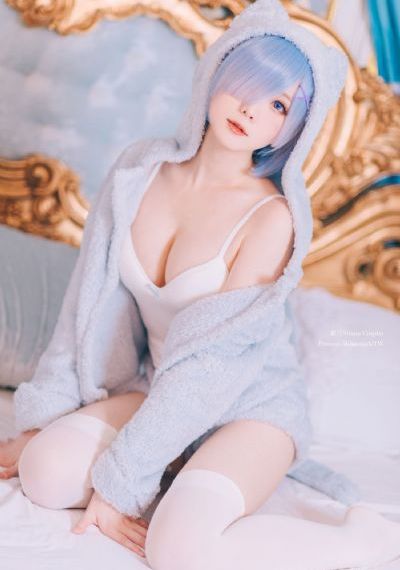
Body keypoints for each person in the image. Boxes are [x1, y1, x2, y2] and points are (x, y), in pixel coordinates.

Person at [2, 0, 400, 568]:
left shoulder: (272, 220)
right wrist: (42, 420)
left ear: (294, 127)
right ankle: (169, 460)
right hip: (154, 386)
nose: (251, 110)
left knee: (178, 548)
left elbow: (211, 370)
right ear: (218, 69)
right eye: (248, 83)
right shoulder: (139, 171)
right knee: (43, 472)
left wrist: (121, 483)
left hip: (246, 408)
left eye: (279, 105)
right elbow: (83, 312)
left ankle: (365, 540)